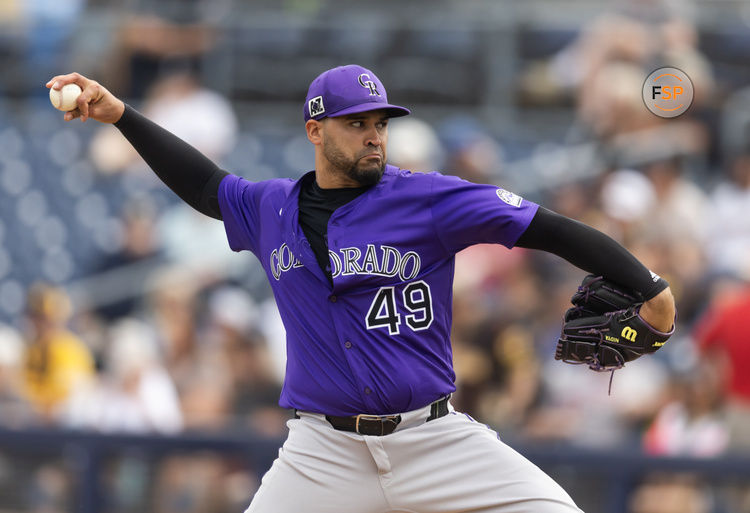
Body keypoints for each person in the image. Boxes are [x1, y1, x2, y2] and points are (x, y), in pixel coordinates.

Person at [47, 65, 675, 513]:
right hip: (322, 452)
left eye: (380, 122)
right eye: (357, 123)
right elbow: (206, 186)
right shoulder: (270, 208)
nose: (375, 134)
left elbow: (548, 227)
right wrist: (120, 115)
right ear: (316, 130)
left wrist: (647, 285)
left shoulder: (427, 198)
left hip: (434, 438)